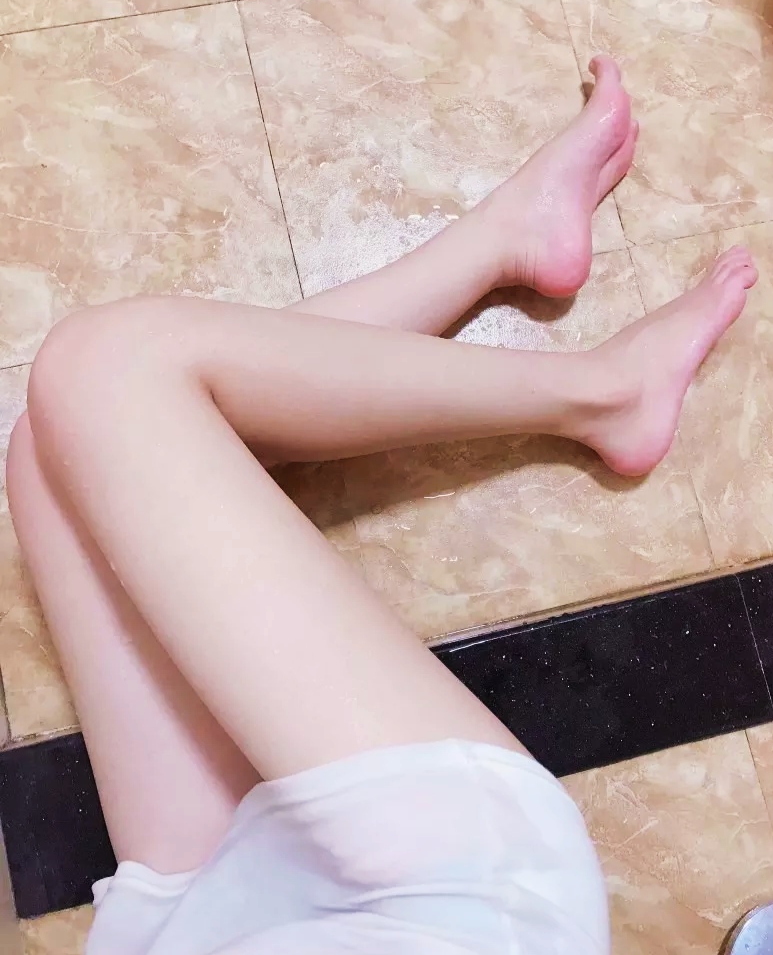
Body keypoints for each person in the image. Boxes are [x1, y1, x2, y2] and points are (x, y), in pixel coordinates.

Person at [6, 57, 756, 955]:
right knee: (110, 374)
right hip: (446, 911)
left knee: (52, 456)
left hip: (201, 923)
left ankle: (507, 245)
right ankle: (599, 389)